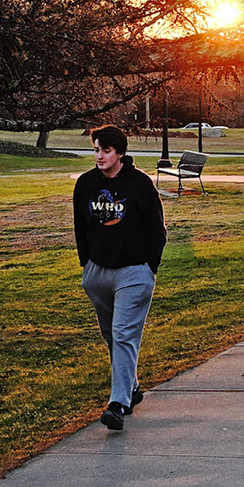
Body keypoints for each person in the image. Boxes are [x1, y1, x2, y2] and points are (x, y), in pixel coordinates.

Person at [74, 124, 166, 431]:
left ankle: (118, 403)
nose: (99, 156)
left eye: (105, 150)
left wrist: (148, 268)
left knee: (123, 332)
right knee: (111, 335)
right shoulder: (85, 184)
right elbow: (80, 229)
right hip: (98, 273)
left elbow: (157, 231)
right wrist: (87, 267)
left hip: (134, 272)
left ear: (120, 153)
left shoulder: (140, 185)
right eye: (96, 150)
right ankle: (132, 387)